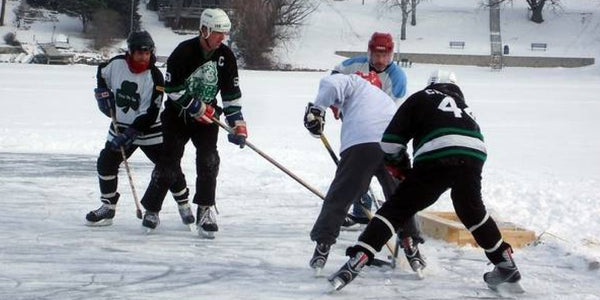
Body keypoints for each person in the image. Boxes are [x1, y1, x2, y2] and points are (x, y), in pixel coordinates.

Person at [328, 70, 524, 294]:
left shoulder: (420, 97)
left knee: (397, 208)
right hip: (474, 156)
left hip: (437, 155)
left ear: (430, 84)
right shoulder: (464, 107)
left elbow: (391, 143)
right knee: (472, 211)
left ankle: (360, 255)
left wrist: (401, 168)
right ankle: (504, 262)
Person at [139, 8, 247, 239]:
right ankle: (152, 209)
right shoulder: (184, 52)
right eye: (218, 32)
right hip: (177, 117)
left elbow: (230, 94)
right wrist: (195, 106)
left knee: (209, 160)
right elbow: (172, 89)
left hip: (207, 119)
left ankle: (205, 209)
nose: (222, 38)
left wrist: (237, 122)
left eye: (224, 33)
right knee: (169, 163)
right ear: (204, 30)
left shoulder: (225, 57)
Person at [303, 71, 422, 275]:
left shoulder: (355, 82)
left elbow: (330, 83)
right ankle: (410, 242)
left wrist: (318, 109)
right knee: (402, 198)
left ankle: (323, 245)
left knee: (340, 196)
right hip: (394, 147)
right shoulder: (386, 102)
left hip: (361, 144)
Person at [85, 31, 193, 227]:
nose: (144, 57)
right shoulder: (116, 64)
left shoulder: (155, 77)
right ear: (130, 52)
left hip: (150, 131)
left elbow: (151, 112)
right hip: (120, 127)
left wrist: (131, 133)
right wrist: (102, 93)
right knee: (106, 163)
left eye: (148, 53)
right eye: (139, 53)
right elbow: (101, 71)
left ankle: (184, 203)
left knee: (169, 169)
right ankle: (108, 207)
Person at [332, 32, 408, 229]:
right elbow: (335, 77)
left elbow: (388, 110)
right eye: (377, 55)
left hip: (381, 129)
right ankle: (361, 205)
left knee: (386, 173)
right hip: (354, 126)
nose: (381, 60)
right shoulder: (353, 65)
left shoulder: (397, 77)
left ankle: (396, 215)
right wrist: (337, 102)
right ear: (369, 53)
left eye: (385, 56)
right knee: (354, 169)